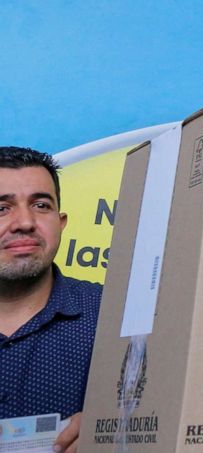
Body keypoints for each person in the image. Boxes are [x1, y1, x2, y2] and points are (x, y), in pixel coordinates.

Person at [0, 147, 102, 453]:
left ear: (61, 222)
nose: (25, 223)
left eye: (41, 205)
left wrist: (118, 428)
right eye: (1, 208)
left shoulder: (115, 313)